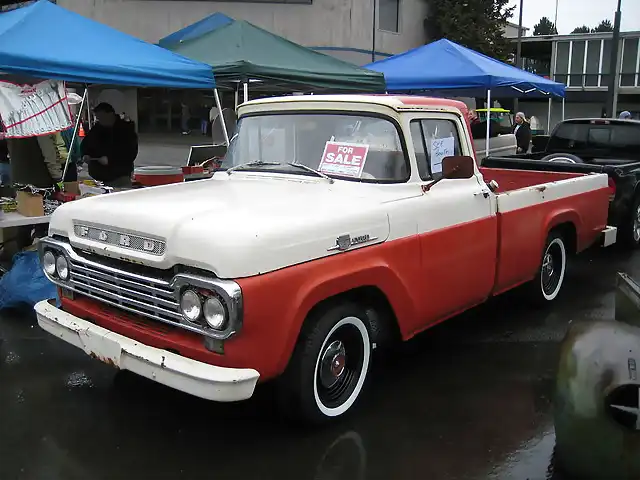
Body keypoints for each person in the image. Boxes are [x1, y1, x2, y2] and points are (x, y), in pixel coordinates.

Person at [81, 102, 138, 188]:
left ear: (111, 114)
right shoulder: (97, 128)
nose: (100, 120)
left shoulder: (125, 129)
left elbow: (130, 152)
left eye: (102, 117)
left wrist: (111, 159)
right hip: (99, 175)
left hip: (119, 174)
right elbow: (86, 144)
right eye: (98, 118)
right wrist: (86, 154)